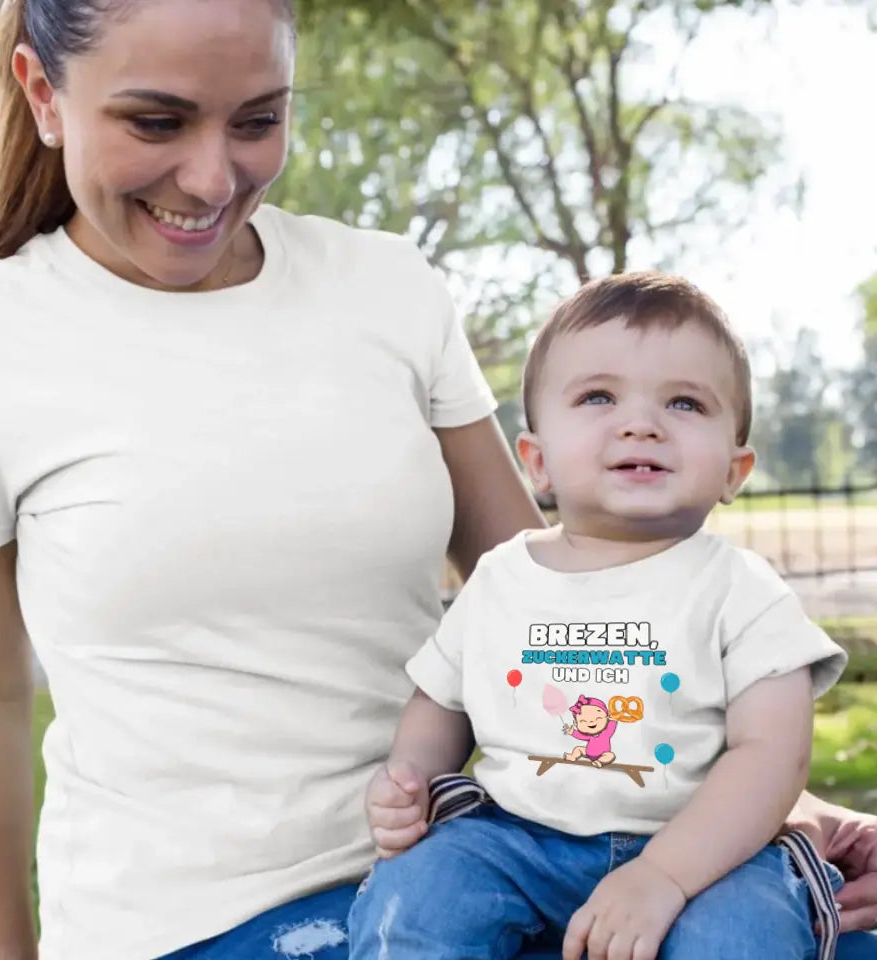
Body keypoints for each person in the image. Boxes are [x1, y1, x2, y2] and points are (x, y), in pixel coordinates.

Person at [0, 1, 872, 959]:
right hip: (199, 922)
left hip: (498, 857)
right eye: (156, 122)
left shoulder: (386, 285)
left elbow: (565, 597)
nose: (212, 176)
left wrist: (767, 797)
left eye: (258, 120)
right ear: (44, 93)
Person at [348, 273, 877, 960]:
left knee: (744, 935)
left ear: (734, 471)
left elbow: (773, 754)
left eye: (684, 402)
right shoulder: (502, 577)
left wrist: (663, 874)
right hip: (515, 839)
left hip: (705, 851)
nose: (640, 423)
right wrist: (407, 778)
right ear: (536, 462)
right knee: (417, 895)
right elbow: (440, 699)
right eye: (598, 396)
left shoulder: (740, 590)